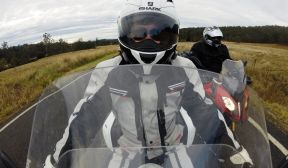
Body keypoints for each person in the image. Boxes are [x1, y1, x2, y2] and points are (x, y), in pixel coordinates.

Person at [43, 0, 252, 167]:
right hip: (126, 150)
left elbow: (205, 111)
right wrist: (55, 161)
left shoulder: (184, 67)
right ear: (124, 33)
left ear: (173, 35)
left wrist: (234, 150)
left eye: (158, 34)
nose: (149, 40)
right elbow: (84, 118)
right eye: (139, 33)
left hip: (174, 148)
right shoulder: (108, 71)